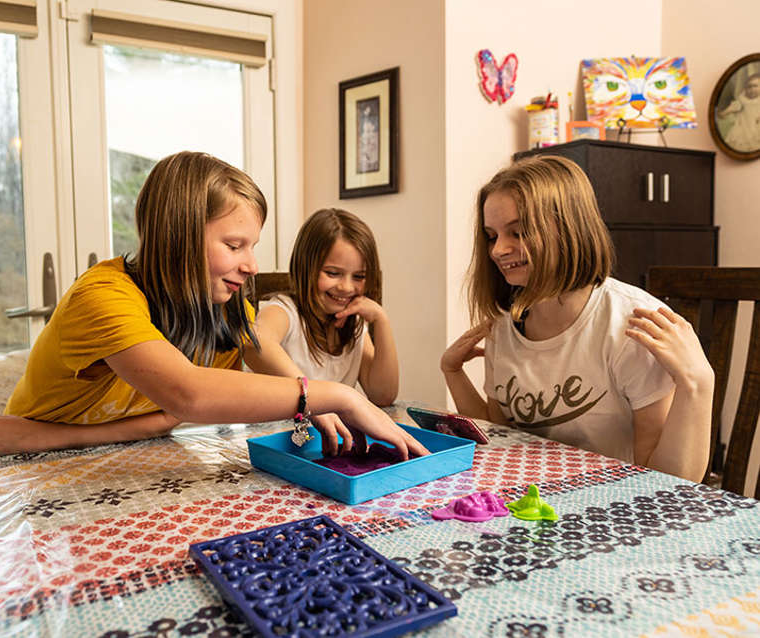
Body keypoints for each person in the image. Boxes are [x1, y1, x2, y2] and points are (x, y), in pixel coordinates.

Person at [0, 152, 428, 460]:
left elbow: (169, 417)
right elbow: (190, 396)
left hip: (101, 449)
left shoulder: (223, 305)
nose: (251, 265)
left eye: (253, 246)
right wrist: (338, 395)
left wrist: (53, 435)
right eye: (234, 244)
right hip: (33, 464)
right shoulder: (102, 298)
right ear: (178, 237)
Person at [441, 155, 713, 482]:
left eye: (518, 232)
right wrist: (452, 371)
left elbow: (670, 481)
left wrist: (698, 383)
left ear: (568, 228)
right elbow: (500, 438)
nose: (499, 250)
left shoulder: (633, 325)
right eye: (492, 236)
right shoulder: (503, 326)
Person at [247, 209, 399, 452]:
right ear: (306, 267)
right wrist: (312, 398)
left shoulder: (354, 326)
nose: (346, 287)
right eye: (332, 273)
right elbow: (254, 342)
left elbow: (383, 395)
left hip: (327, 450)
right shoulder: (285, 311)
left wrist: (381, 321)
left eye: (358, 276)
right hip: (277, 447)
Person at [718, 72, 760, 153]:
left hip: (757, 129)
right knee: (740, 144)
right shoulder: (743, 100)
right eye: (749, 87)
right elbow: (730, 109)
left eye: (755, 86)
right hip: (743, 128)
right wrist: (725, 112)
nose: (751, 89)